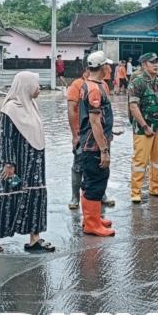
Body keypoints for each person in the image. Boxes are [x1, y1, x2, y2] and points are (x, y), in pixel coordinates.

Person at [0, 71, 54, 253]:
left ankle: (35, 240)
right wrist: (8, 163)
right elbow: (6, 138)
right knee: (6, 196)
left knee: (35, 197)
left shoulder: (31, 105)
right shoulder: (10, 108)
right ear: (26, 86)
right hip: (15, 163)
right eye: (36, 84)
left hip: (34, 162)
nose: (39, 88)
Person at [77, 51, 116, 237]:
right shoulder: (94, 89)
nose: (110, 68)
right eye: (107, 65)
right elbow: (95, 122)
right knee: (96, 182)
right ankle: (92, 223)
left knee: (91, 181)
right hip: (93, 146)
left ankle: (91, 217)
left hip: (93, 142)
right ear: (102, 68)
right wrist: (104, 150)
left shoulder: (95, 85)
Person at [66, 66, 115, 210]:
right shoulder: (77, 85)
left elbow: (105, 110)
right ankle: (75, 197)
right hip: (85, 136)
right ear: (88, 69)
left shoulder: (103, 85)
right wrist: (75, 135)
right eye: (104, 66)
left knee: (101, 166)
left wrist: (109, 129)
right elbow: (71, 110)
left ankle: (101, 194)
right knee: (79, 165)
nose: (107, 69)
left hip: (102, 135)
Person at [127, 52, 158, 203]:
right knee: (140, 162)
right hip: (143, 130)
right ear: (144, 64)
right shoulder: (137, 82)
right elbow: (133, 106)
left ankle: (157, 188)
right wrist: (144, 126)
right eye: (152, 62)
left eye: (157, 62)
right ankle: (135, 192)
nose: (156, 65)